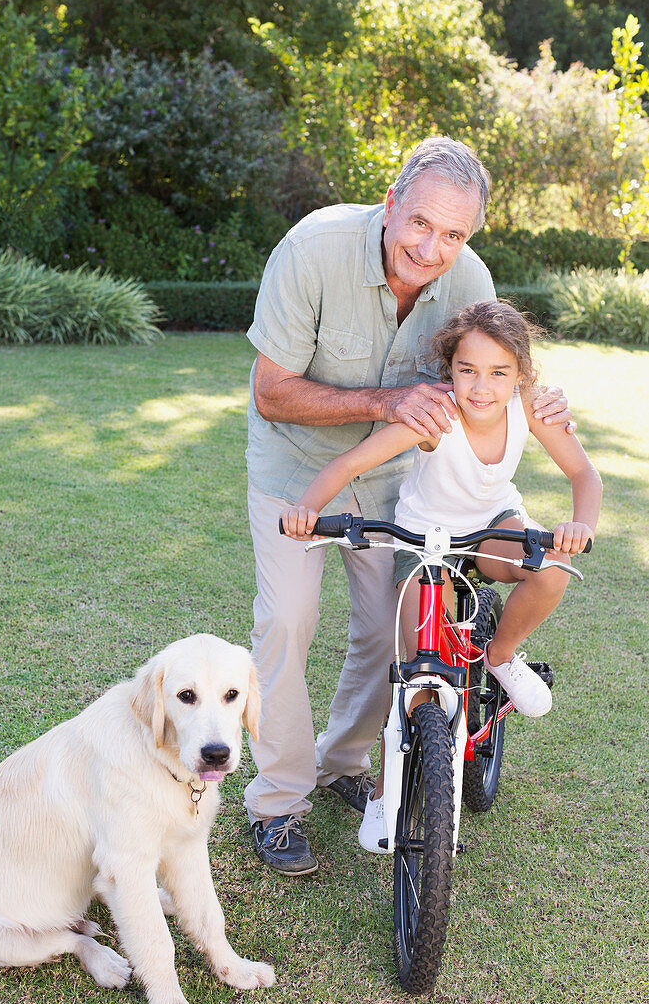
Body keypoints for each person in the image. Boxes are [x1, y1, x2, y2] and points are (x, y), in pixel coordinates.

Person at [245, 136, 574, 875]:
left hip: (398, 486)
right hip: (297, 472)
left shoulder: (470, 278)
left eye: (453, 234)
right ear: (390, 203)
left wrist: (540, 398)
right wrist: (383, 399)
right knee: (287, 624)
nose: (431, 249)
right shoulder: (312, 249)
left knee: (384, 637)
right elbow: (272, 390)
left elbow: (498, 370)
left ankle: (341, 764)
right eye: (420, 223)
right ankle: (276, 804)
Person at [280, 299, 602, 853]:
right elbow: (348, 464)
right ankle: (385, 793)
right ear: (448, 371)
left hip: (492, 528)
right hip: (425, 542)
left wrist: (581, 524)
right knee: (414, 675)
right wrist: (306, 510)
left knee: (550, 571)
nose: (482, 387)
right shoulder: (438, 416)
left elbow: (583, 472)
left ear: (521, 374)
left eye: (500, 372)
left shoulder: (530, 408)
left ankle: (499, 658)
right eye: (467, 370)